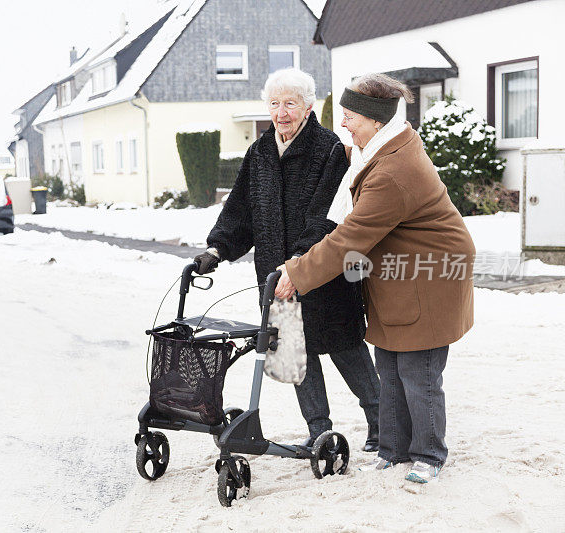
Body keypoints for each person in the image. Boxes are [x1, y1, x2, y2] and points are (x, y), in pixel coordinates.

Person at [276, 73, 476, 484]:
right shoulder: (383, 150)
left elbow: (350, 237)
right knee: (388, 363)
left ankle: (429, 454)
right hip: (396, 277)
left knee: (418, 373)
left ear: (375, 121)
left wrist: (296, 273)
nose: (344, 124)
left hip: (428, 276)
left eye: (350, 116)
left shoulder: (393, 172)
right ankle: (393, 449)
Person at [194, 68, 380, 453]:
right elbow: (240, 210)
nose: (282, 112)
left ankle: (381, 422)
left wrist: (299, 261)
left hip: (322, 273)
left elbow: (326, 215)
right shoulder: (260, 151)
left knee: (346, 347)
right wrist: (218, 248)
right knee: (296, 353)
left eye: (290, 103)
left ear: (308, 107)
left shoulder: (329, 150)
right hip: (275, 278)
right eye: (275, 103)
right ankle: (319, 431)